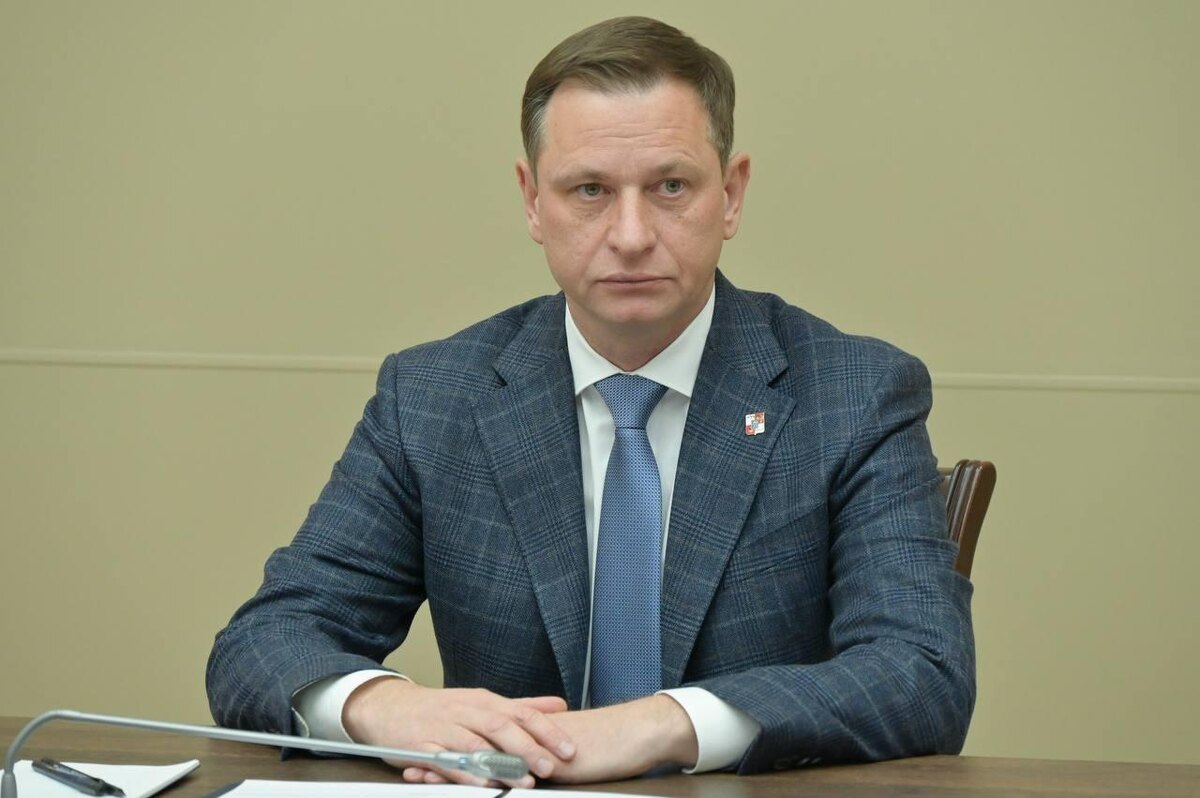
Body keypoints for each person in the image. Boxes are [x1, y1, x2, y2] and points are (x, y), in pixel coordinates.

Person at [206, 15, 975, 787]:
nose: (631, 234)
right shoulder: (433, 397)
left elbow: (922, 670)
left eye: (670, 187)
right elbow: (265, 640)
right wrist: (383, 707)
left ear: (731, 195)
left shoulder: (851, 393)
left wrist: (664, 724)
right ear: (532, 201)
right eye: (590, 190)